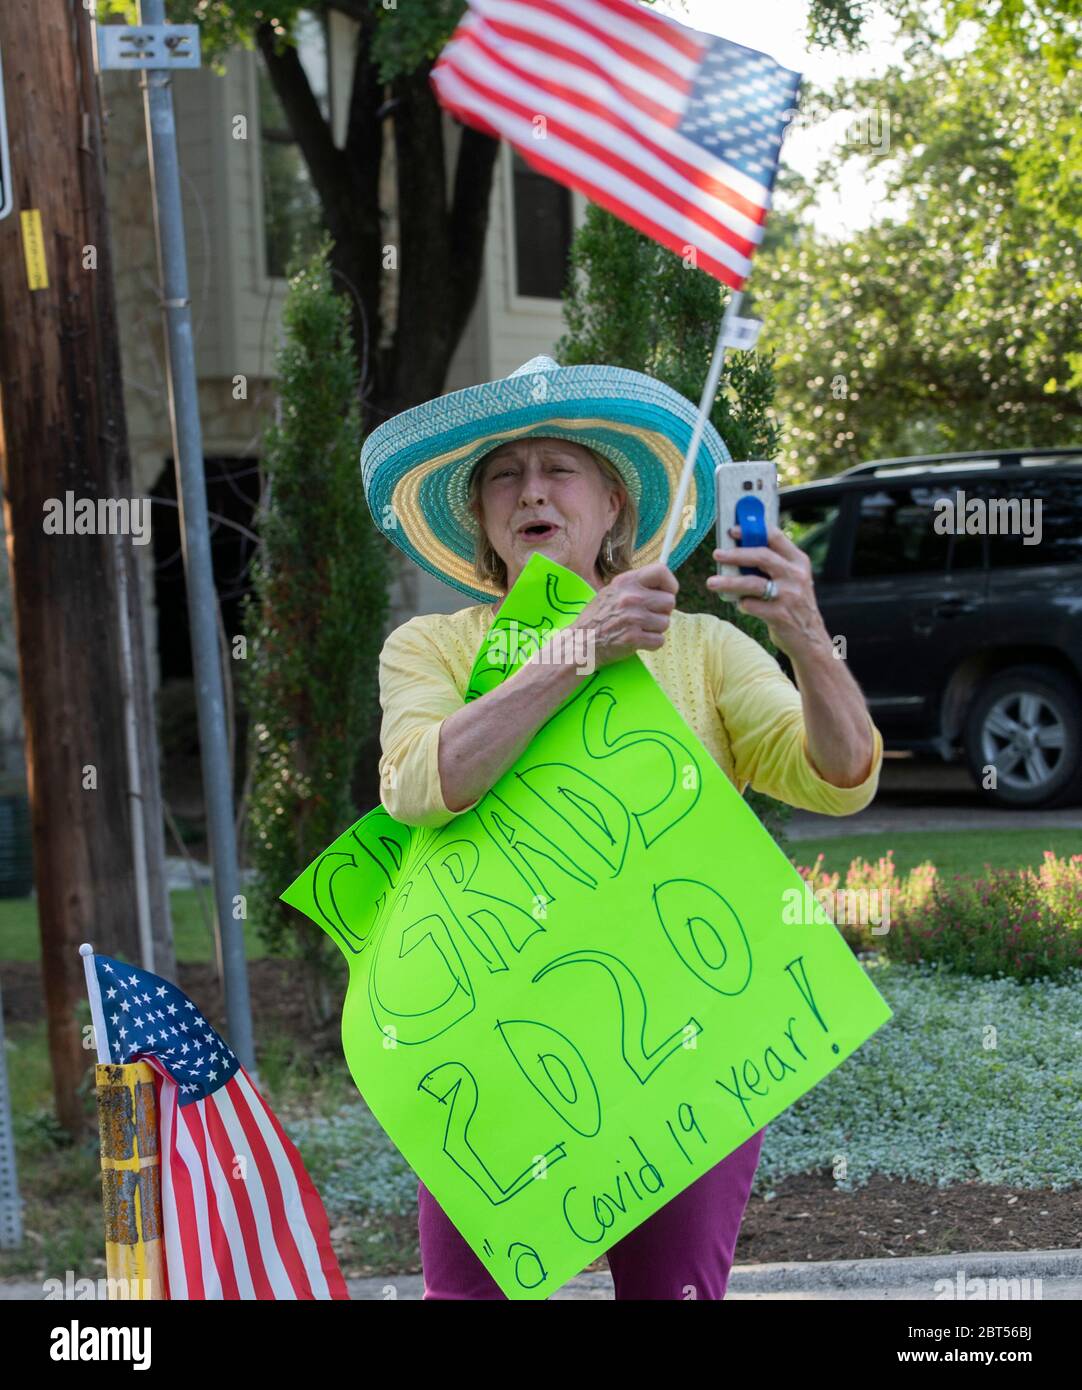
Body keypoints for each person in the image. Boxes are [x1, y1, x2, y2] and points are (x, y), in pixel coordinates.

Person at [361, 355, 883, 1300]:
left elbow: (840, 778)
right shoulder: (430, 646)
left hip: (687, 1042)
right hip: (493, 1050)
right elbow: (421, 783)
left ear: (612, 505)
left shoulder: (702, 646)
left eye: (558, 469)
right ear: (482, 520)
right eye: (505, 476)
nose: (531, 490)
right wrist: (579, 648)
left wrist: (806, 632)